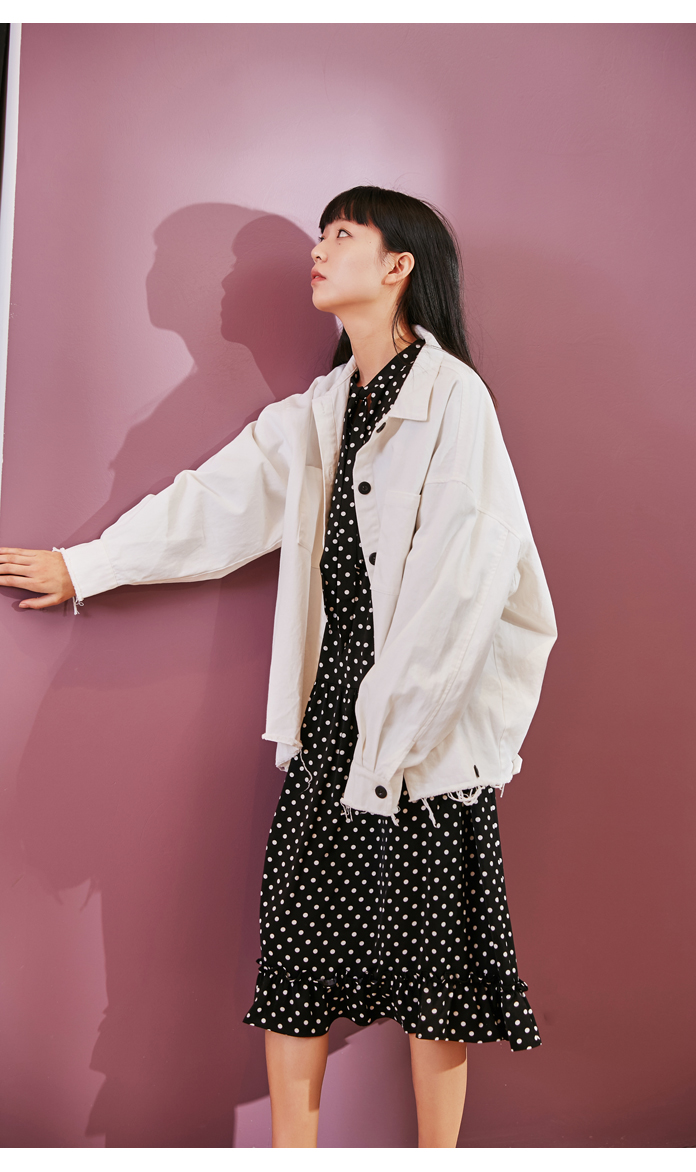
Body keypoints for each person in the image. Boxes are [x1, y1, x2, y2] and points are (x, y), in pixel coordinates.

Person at [0, 186, 557, 1148]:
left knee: (436, 975)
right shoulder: (321, 411)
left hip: (426, 734)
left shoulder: (453, 399)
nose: (319, 249)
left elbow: (463, 586)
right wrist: (84, 567)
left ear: (398, 267)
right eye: (320, 234)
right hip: (329, 719)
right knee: (296, 959)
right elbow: (213, 503)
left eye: (343, 234)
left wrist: (394, 743)